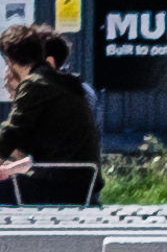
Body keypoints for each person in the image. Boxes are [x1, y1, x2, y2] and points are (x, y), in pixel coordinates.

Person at [0, 29, 96, 207]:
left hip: (61, 187)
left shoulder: (36, 84)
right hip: (78, 185)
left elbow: (10, 134)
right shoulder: (61, 84)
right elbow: (46, 150)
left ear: (11, 60)